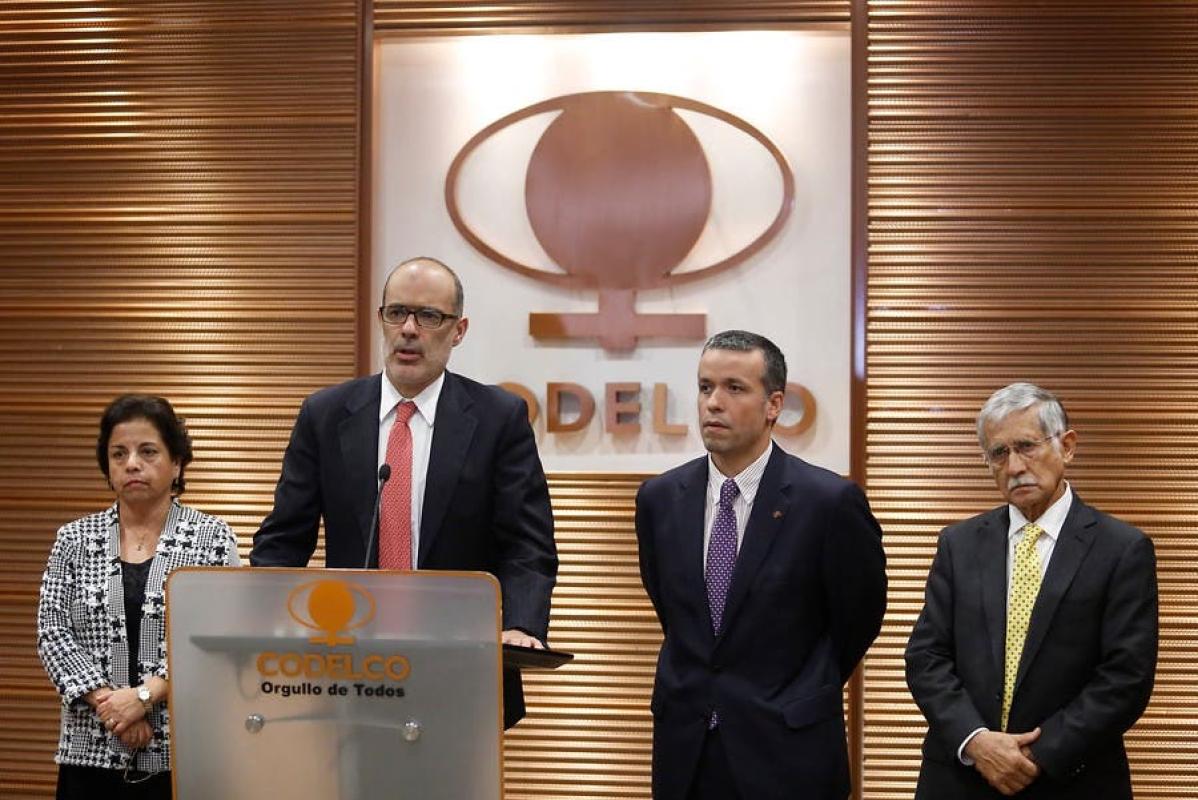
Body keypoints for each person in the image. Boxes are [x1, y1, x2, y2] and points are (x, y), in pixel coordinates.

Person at [250, 255, 557, 729]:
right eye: (397, 313)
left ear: (459, 330)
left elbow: (527, 544)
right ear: (381, 319)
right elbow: (284, 540)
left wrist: (520, 624)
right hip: (347, 670)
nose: (409, 330)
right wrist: (263, 623)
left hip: (461, 670)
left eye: (429, 316)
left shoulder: (499, 418)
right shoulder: (326, 415)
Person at [635, 330, 887, 800]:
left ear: (774, 405)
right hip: (686, 750)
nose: (713, 403)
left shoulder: (829, 503)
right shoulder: (659, 499)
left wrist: (801, 689)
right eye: (705, 387)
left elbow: (858, 618)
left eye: (734, 388)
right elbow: (676, 614)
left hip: (789, 749)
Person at [905, 382, 1158, 799]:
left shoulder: (1121, 549)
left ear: (1067, 447)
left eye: (1026, 446)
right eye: (999, 453)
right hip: (962, 777)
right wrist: (977, 742)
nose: (1014, 466)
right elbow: (926, 657)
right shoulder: (958, 544)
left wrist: (1035, 755)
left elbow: (1125, 677)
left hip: (1071, 778)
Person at [37, 395, 240, 799]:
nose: (132, 464)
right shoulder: (73, 539)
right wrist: (111, 706)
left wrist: (144, 697)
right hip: (90, 750)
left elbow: (222, 638)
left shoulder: (212, 538)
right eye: (119, 454)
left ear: (176, 462)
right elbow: (52, 632)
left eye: (148, 451)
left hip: (184, 753)